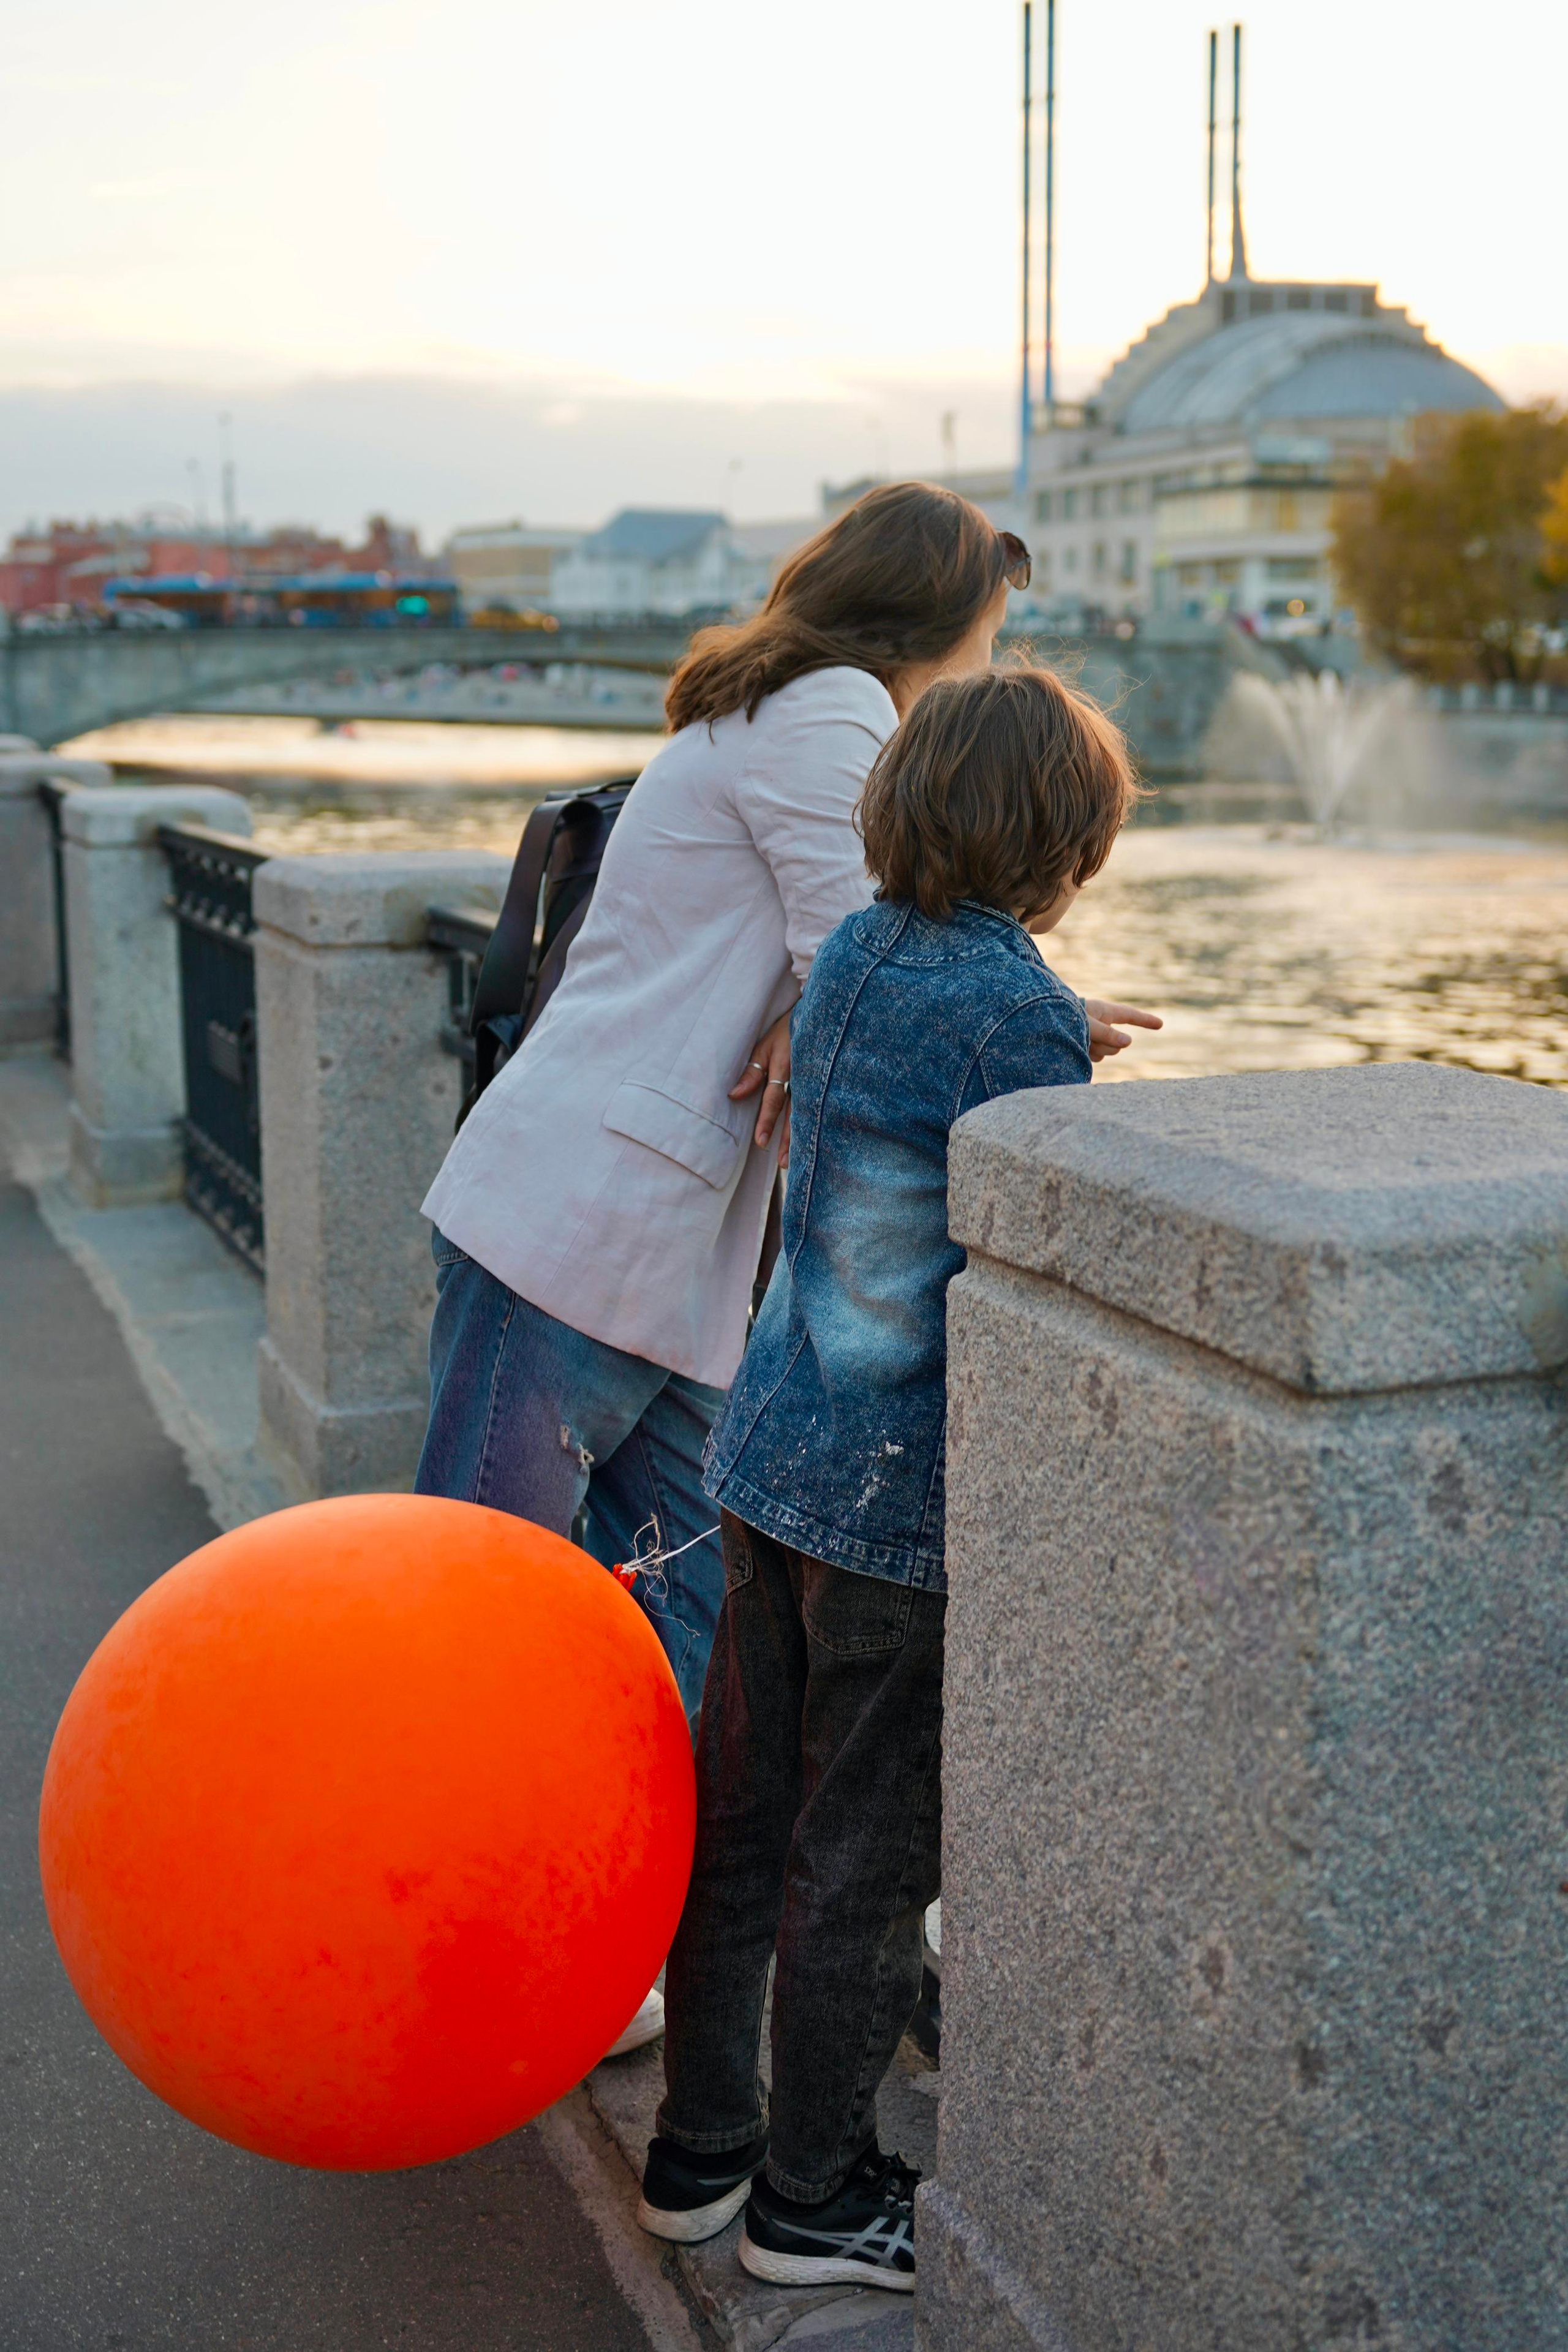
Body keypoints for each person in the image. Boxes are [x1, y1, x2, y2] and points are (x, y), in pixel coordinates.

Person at [415, 483, 1153, 2053]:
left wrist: (823, 1009)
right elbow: (883, 936)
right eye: (987, 632)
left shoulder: (767, 706)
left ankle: (596, 1947)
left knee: (685, 1635)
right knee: (479, 1616)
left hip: (655, 1250)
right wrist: (1042, 1014)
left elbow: (850, 955)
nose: (983, 663)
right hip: (580, 1224)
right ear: (928, 620)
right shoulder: (825, 713)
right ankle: (448, 1963)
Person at [636, 663, 1139, 2288]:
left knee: (745, 1823)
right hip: (895, 1511)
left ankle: (701, 2150)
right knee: (862, 1859)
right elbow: (1039, 1160)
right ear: (1064, 839)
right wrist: (1071, 1044)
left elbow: (926, 1083)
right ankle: (816, 2196)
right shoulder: (1016, 1009)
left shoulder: (853, 947)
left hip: (770, 1459)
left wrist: (1066, 1030)